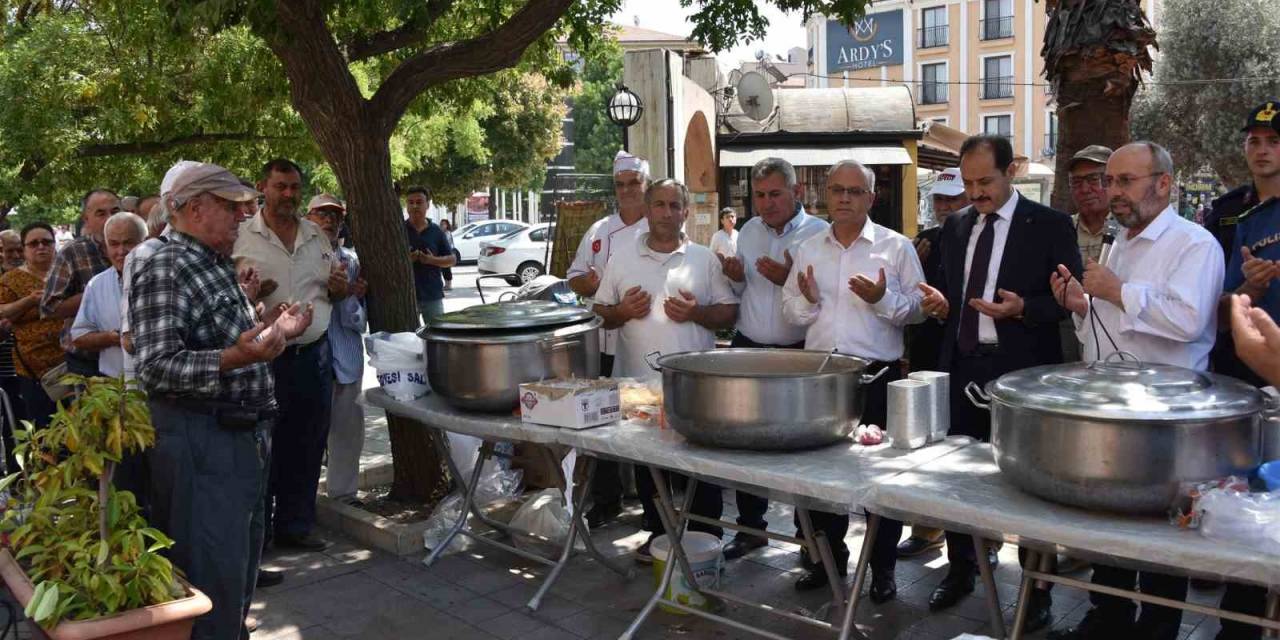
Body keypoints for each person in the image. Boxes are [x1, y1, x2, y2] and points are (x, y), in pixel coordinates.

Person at [132, 161, 312, 640]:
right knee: (210, 575)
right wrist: (235, 356)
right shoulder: (161, 261)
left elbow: (231, 341)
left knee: (236, 570)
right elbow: (155, 366)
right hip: (202, 439)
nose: (242, 215)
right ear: (195, 208)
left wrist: (274, 330)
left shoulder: (212, 261)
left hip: (238, 438)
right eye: (232, 208)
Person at [1047, 142, 1220, 640]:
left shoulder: (1194, 244)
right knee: (1110, 521)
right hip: (1109, 406)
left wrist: (1114, 290)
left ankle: (1158, 626)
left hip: (1167, 414)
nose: (1112, 192)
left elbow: (1188, 321)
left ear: (1162, 184)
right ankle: (1108, 615)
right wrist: (1080, 304)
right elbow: (1109, 330)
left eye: (1125, 181)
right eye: (1110, 182)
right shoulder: (1117, 242)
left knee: (1161, 531)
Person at [917, 134, 1082, 631]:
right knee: (958, 479)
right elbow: (951, 293)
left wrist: (1024, 308)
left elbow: (1069, 299)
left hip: (1024, 373)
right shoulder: (956, 226)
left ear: (1013, 171)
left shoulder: (1049, 226)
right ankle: (963, 566)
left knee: (1033, 484)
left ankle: (1038, 589)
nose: (975, 193)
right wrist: (942, 305)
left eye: (985, 181)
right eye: (968, 183)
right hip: (965, 365)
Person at [782, 159, 925, 598]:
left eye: (855, 191)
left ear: (871, 197)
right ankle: (826, 563)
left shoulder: (896, 247)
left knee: (879, 482)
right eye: (837, 189)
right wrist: (806, 302)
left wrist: (883, 300)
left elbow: (919, 311)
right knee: (819, 478)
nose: (844, 198)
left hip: (875, 378)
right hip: (822, 379)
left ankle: (882, 568)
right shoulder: (809, 249)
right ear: (825, 193)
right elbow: (791, 311)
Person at [592, 178, 738, 562]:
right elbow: (599, 314)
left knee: (699, 463)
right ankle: (658, 532)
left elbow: (729, 312)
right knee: (649, 464)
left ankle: (708, 538)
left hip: (694, 386)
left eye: (675, 205)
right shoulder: (621, 257)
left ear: (685, 212)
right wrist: (621, 312)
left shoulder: (704, 259)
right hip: (640, 386)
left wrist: (697, 313)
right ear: (647, 208)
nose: (667, 213)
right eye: (659, 204)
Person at [716, 157, 828, 565]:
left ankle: (809, 538)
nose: (766, 203)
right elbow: (743, 286)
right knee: (749, 443)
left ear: (796, 192)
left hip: (797, 353)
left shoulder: (819, 235)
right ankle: (751, 529)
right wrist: (733, 273)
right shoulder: (746, 231)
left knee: (800, 449)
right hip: (749, 346)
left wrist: (787, 281)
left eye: (775, 194)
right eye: (759, 195)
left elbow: (825, 301)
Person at [233, 158, 347, 552]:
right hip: (263, 356)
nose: (288, 195)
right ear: (263, 187)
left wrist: (340, 287)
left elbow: (333, 290)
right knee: (264, 446)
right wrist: (253, 295)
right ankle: (259, 535)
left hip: (314, 353)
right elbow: (226, 296)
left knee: (309, 441)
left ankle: (296, 526)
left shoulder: (317, 235)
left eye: (295, 187)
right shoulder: (240, 236)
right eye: (280, 186)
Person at [1212, 101, 1280, 640]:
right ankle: (1239, 620)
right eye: (1254, 140)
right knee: (1254, 501)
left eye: (1273, 140)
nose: (1261, 149)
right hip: (1251, 380)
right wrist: (1249, 290)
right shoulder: (1245, 217)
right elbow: (1228, 299)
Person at [566, 150, 650, 529]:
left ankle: (656, 507)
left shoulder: (659, 228)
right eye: (621, 184)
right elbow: (574, 277)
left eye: (634, 183)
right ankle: (606, 499)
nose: (628, 190)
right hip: (603, 342)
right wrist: (594, 283)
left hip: (646, 342)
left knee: (648, 425)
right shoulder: (600, 231)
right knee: (602, 423)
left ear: (645, 185)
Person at [898, 167, 968, 559]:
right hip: (928, 355)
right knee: (926, 445)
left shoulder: (978, 239)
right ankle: (926, 528)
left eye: (952, 199)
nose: (944, 207)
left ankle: (981, 540)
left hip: (965, 356)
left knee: (968, 448)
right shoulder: (923, 242)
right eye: (940, 199)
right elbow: (908, 300)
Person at [305, 194, 369, 506]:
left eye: (335, 216)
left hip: (345, 356)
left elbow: (358, 321)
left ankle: (343, 494)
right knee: (307, 434)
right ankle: (300, 499)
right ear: (308, 219)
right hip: (307, 358)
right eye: (322, 215)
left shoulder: (352, 261)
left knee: (347, 432)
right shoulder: (298, 258)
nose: (329, 221)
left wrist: (350, 297)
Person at [41, 189, 118, 376]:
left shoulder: (140, 247)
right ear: (87, 221)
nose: (110, 218)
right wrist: (97, 292)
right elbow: (49, 309)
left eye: (115, 212)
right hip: (87, 362)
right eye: (101, 213)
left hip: (129, 357)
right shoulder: (72, 252)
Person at [0, 223, 64, 427]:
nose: (41, 247)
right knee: (44, 430)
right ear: (25, 248)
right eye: (34, 243)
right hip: (34, 370)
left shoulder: (67, 273)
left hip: (72, 363)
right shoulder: (11, 280)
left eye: (46, 242)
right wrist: (29, 301)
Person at [70, 212, 146, 378]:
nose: (121, 251)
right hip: (116, 386)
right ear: (105, 248)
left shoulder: (165, 277)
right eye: (114, 244)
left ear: (145, 243)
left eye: (129, 243)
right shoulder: (97, 285)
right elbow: (79, 337)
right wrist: (113, 338)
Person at [403, 186, 455, 326]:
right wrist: (406, 260)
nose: (414, 206)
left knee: (437, 337)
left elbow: (451, 259)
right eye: (410, 202)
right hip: (405, 297)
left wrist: (432, 260)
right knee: (408, 341)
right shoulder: (399, 229)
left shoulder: (436, 231)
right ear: (406, 205)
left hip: (432, 296)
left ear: (427, 205)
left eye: (419, 202)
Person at [439, 219, 454, 292]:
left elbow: (448, 243)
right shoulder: (441, 233)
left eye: (444, 224)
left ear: (447, 225)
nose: (442, 225)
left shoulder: (447, 233)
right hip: (442, 253)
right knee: (443, 269)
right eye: (441, 224)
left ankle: (449, 284)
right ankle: (446, 284)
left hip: (447, 253)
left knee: (447, 269)